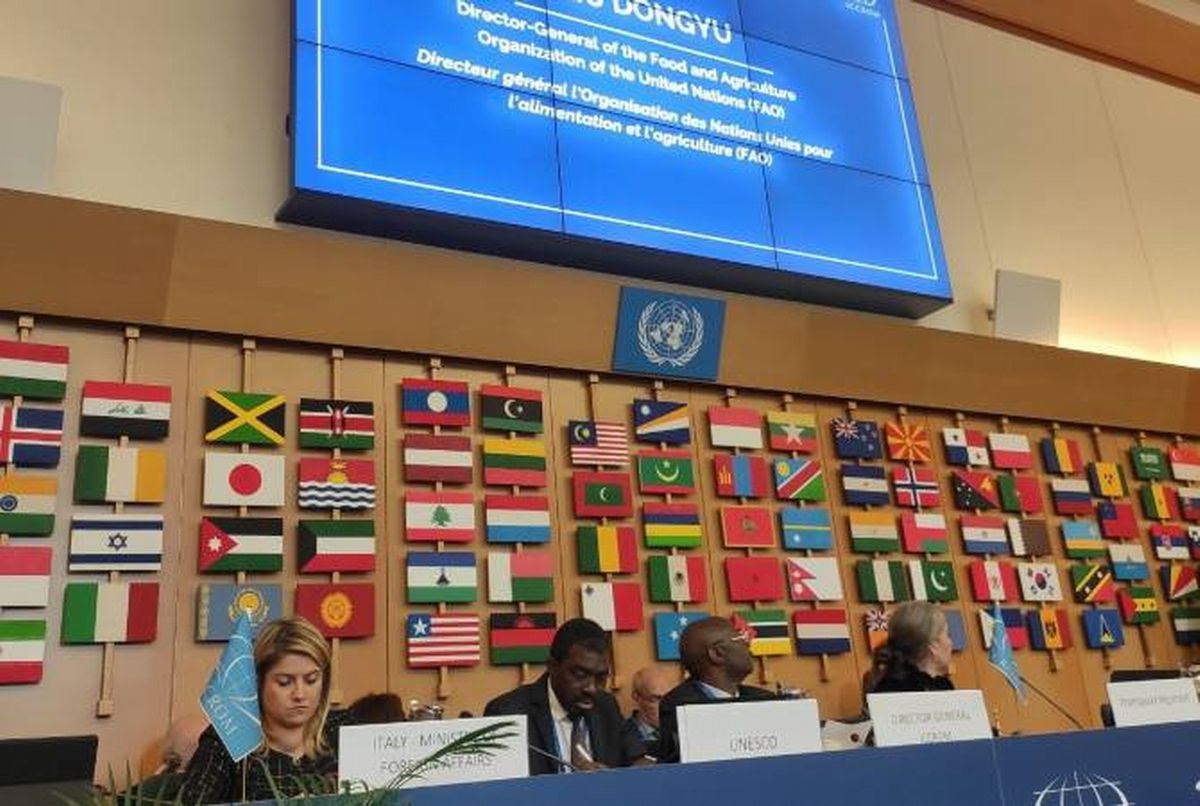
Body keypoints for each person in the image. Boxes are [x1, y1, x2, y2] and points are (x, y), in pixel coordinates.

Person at [181, 617, 337, 804]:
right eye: (284, 682)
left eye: (311, 680)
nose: (300, 694)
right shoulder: (228, 737)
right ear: (258, 682)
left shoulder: (341, 728)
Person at [483, 617, 648, 775]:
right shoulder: (507, 714)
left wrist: (614, 778)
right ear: (552, 666)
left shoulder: (606, 705)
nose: (591, 688)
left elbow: (640, 761)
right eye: (580, 674)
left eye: (601, 678)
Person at [656, 616, 776, 763]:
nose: (748, 644)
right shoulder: (681, 706)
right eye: (741, 638)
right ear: (717, 654)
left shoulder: (765, 699)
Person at [866, 601, 954, 694]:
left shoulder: (943, 685)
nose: (951, 643)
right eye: (947, 635)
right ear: (933, 645)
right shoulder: (894, 689)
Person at [624, 666, 670, 760]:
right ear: (636, 697)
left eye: (668, 698)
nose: (665, 706)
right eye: (655, 699)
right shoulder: (622, 735)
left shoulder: (678, 730)